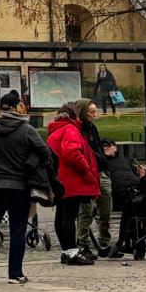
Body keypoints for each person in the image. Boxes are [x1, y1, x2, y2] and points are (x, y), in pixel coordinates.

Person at [0, 90, 50, 285]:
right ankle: (15, 273)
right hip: (19, 186)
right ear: (16, 107)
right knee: (18, 229)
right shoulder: (26, 129)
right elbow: (45, 152)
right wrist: (29, 161)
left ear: (1, 108)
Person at [47, 100, 101, 266]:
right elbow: (72, 152)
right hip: (71, 180)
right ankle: (71, 251)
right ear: (74, 115)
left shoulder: (55, 131)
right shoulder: (71, 129)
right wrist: (86, 169)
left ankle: (66, 251)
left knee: (61, 215)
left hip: (58, 179)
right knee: (69, 216)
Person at [82, 102, 111, 251]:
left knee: (105, 208)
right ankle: (83, 242)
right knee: (86, 210)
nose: (95, 115)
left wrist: (103, 163)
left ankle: (104, 239)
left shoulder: (92, 128)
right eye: (91, 112)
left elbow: (98, 147)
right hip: (89, 172)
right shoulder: (80, 129)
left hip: (100, 169)